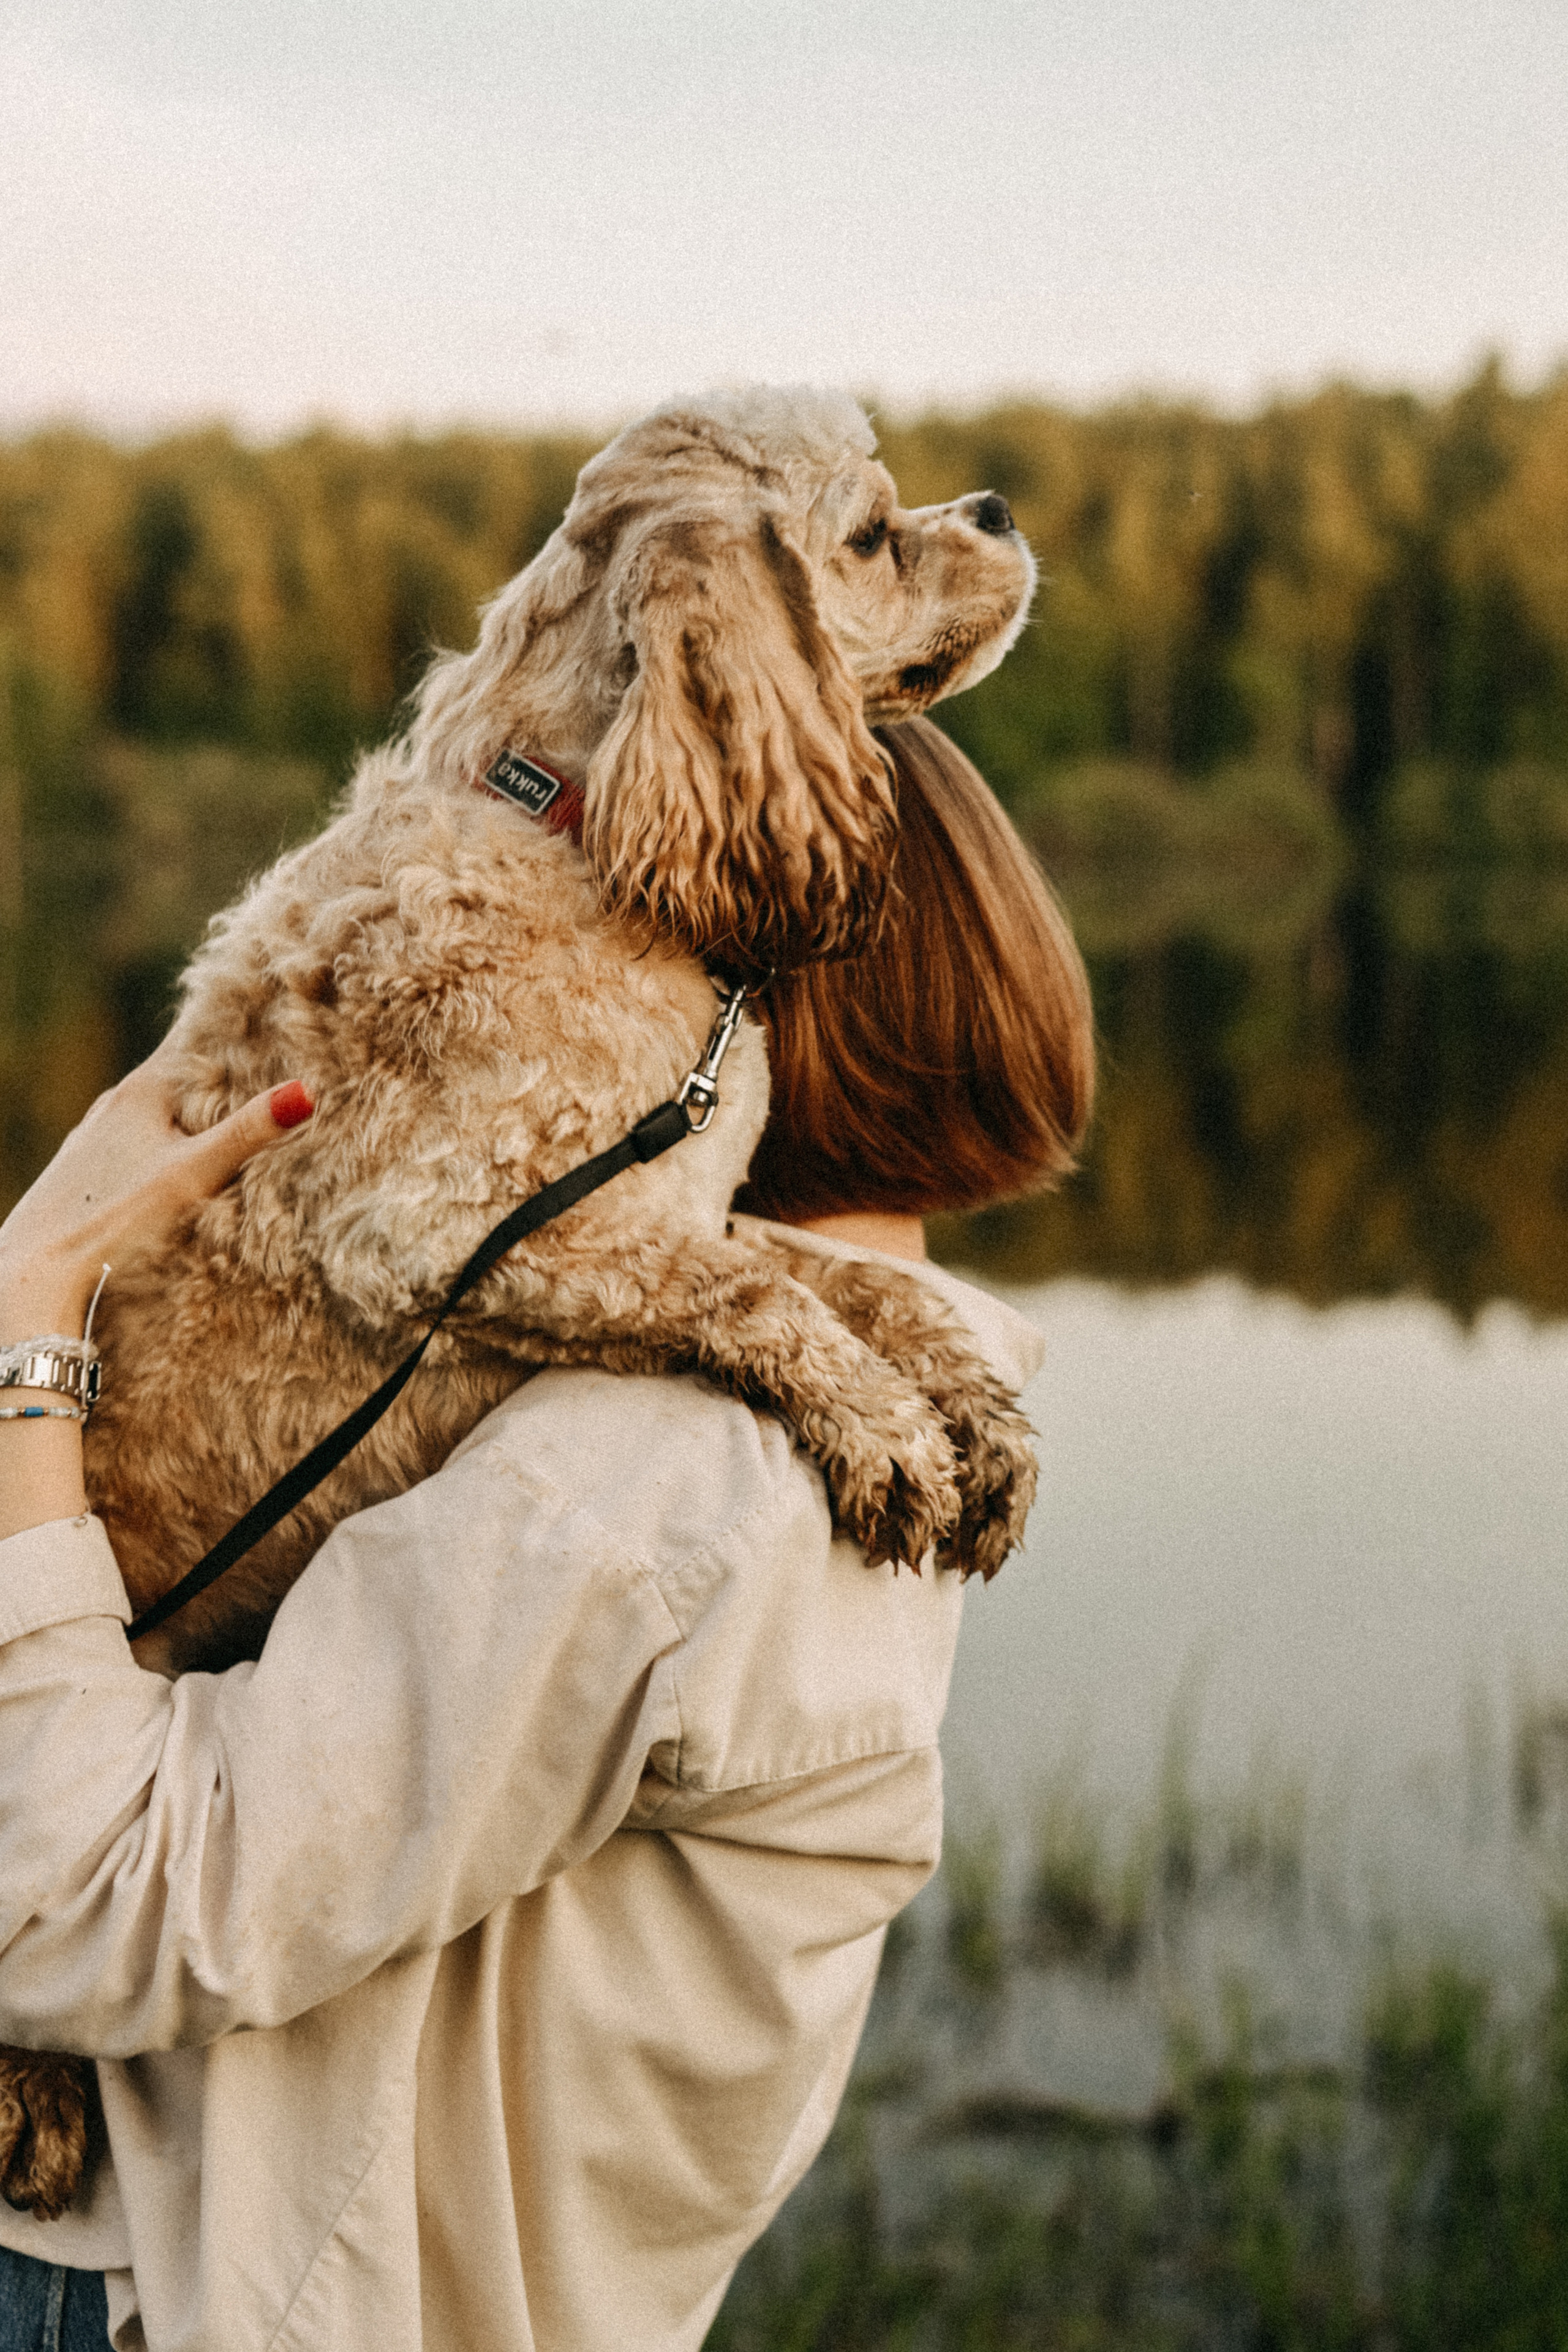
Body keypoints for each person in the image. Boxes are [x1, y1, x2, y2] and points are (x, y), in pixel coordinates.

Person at [0, 717, 1093, 2352]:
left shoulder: (659, 1473)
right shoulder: (903, 1402)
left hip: (161, 2289)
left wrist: (30, 1327)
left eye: (584, 920)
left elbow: (73, 1908)